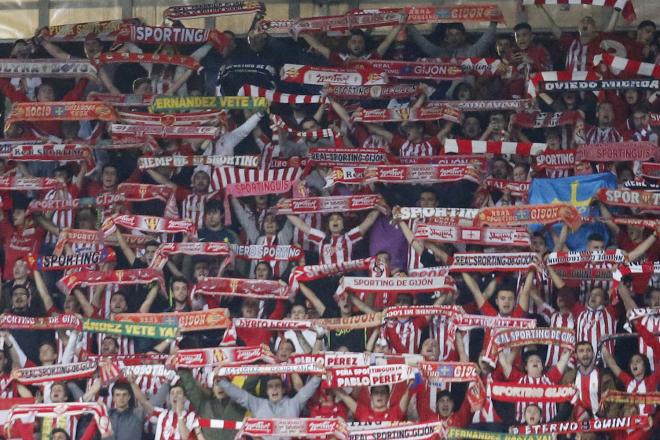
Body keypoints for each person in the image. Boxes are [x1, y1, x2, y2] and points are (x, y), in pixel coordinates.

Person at [218, 375, 321, 418]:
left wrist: (318, 377)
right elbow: (240, 395)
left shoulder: (294, 403)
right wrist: (220, 382)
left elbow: (306, 392)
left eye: (277, 386)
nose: (274, 389)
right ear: (267, 391)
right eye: (270, 387)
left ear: (283, 389)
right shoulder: (257, 404)